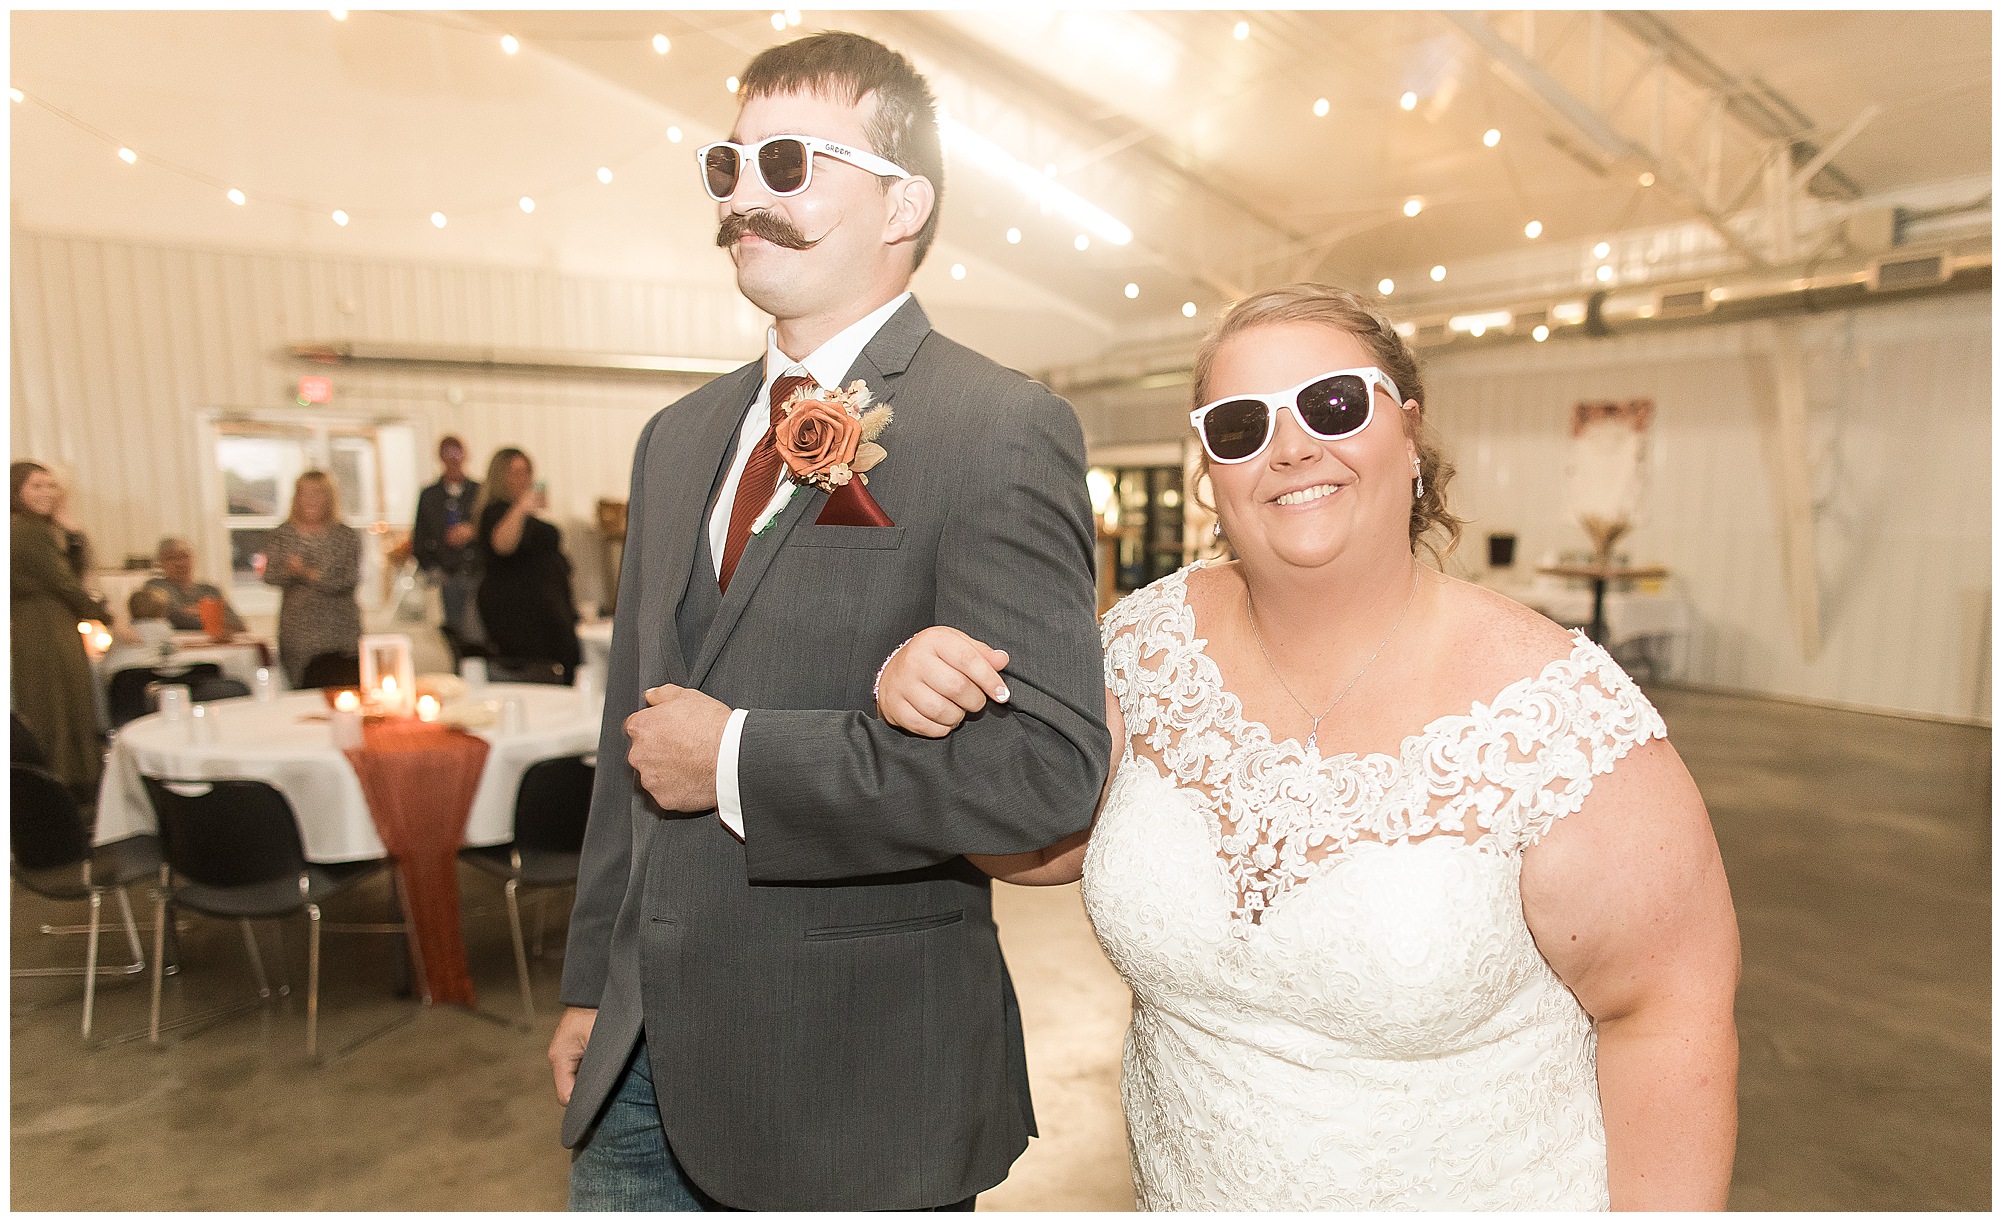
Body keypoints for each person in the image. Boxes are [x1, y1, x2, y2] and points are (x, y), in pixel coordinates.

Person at [874, 283, 1742, 1210]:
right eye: (1241, 425)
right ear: (1212, 470)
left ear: (1409, 431)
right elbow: (1038, 847)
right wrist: (936, 709)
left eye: (1333, 404)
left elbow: (1668, 1020)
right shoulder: (1143, 647)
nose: (1290, 448)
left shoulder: (1560, 716)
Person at [550, 32, 1109, 1213]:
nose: (742, 197)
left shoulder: (998, 425)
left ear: (904, 203)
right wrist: (591, 984)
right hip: (639, 1059)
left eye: (788, 163)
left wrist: (739, 759)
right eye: (728, 164)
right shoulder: (674, 440)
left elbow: (1044, 771)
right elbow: (625, 743)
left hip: (854, 1078)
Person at [11, 461, 109, 794]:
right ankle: (67, 785)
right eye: (36, 486)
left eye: (51, 486)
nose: (46, 493)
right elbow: (64, 583)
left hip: (49, 623)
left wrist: (72, 534)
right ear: (16, 490)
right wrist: (105, 617)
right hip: (45, 626)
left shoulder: (36, 528)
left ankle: (67, 783)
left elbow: (71, 574)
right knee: (57, 704)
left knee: (61, 702)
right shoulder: (27, 530)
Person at [472, 447, 579, 674]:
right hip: (521, 615)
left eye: (526, 472)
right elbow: (503, 545)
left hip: (546, 610)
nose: (523, 479)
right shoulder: (495, 512)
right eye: (515, 473)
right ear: (500, 476)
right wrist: (522, 506)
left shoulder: (523, 517)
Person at [262, 470, 362, 687]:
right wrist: (289, 571)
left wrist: (306, 572)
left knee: (345, 692)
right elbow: (270, 575)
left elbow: (347, 581)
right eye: (305, 494)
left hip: (339, 634)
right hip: (298, 636)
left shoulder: (345, 536)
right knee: (302, 692)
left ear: (329, 497)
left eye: (318, 493)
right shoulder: (282, 534)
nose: (311, 500)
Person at [412, 435, 484, 648]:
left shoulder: (479, 491)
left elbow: (491, 528)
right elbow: (420, 538)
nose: (453, 458)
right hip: (448, 577)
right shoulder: (430, 495)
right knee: (455, 634)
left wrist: (472, 532)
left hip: (477, 572)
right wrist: (433, 569)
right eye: (447, 453)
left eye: (457, 452)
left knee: (479, 631)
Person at [143, 537, 246, 635]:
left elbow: (238, 624)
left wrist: (192, 612)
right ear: (161, 564)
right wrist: (212, 617)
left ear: (193, 558)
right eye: (171, 558)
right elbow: (173, 618)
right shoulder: (156, 587)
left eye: (184, 556)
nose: (180, 563)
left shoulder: (210, 590)